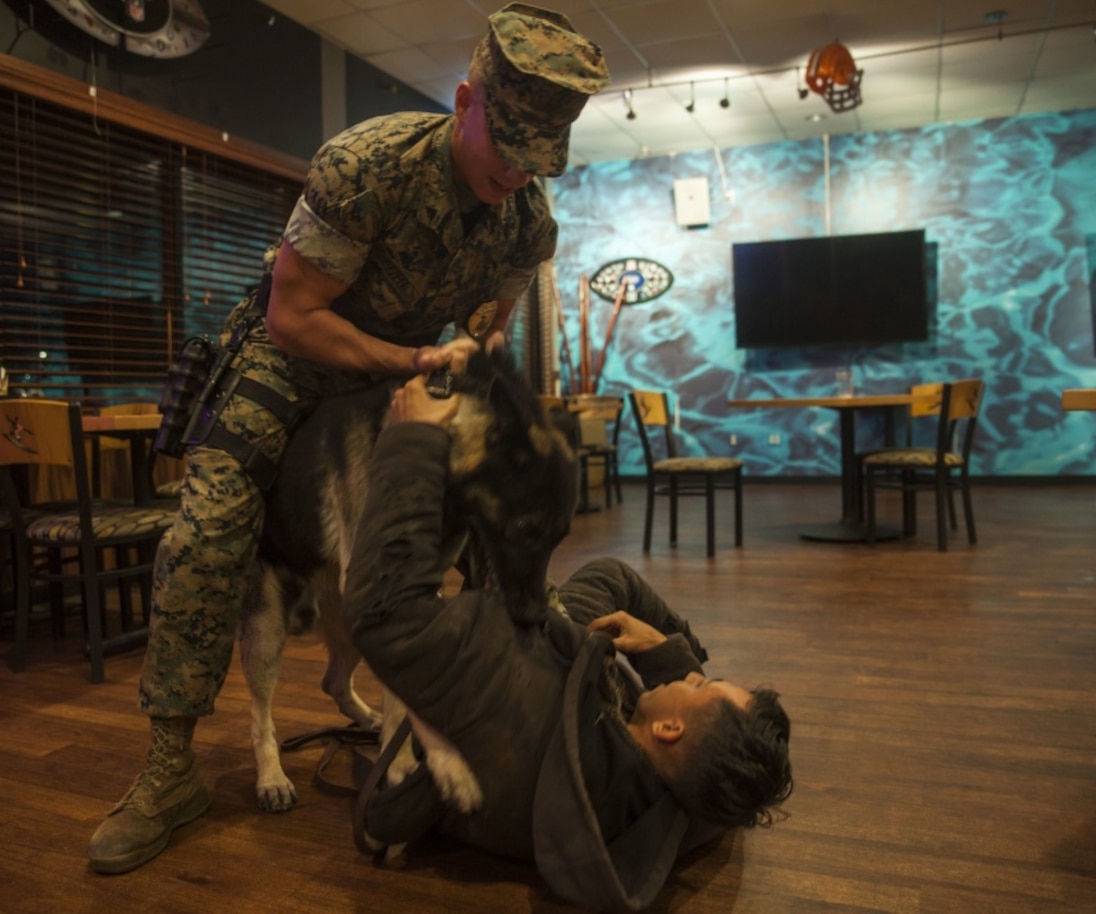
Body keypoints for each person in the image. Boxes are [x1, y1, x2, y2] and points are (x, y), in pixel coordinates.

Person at [88, 3, 610, 875]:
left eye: (539, 158)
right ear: (463, 101)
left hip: (397, 377)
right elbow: (295, 317)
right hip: (290, 356)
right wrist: (410, 358)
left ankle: (513, 718)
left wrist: (457, 384)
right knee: (209, 530)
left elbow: (482, 334)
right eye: (506, 144)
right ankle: (170, 769)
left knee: (490, 516)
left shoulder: (528, 224)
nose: (518, 173)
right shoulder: (366, 165)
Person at [343, 376, 793, 911]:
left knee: (493, 516)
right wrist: (664, 654)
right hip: (568, 678)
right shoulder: (691, 801)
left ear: (671, 730)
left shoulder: (520, 699)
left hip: (501, 690)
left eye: (703, 687)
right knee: (611, 577)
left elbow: (383, 612)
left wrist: (411, 441)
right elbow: (731, 800)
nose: (695, 675)